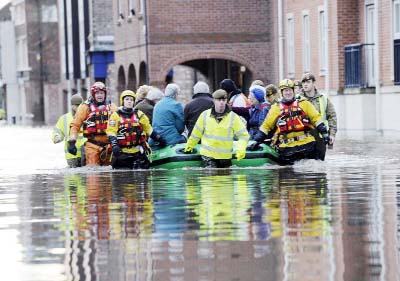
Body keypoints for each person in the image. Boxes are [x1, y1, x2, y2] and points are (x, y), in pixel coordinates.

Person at [250, 79, 329, 165]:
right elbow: (266, 126)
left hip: (307, 144)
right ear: (281, 92)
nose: (288, 93)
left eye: (290, 90)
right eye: (286, 91)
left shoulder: (304, 103)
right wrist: (257, 141)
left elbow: (316, 118)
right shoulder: (276, 108)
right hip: (287, 148)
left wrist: (324, 132)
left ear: (293, 91)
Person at [184, 89, 250, 168]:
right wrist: (190, 145)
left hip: (225, 157)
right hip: (208, 156)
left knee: (226, 179)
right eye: (219, 100)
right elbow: (196, 134)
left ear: (226, 101)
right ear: (214, 100)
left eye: (223, 100)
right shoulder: (205, 115)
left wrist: (241, 148)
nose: (221, 102)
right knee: (211, 176)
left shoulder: (233, 117)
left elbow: (243, 135)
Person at [106, 90, 166, 169]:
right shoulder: (115, 115)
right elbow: (111, 132)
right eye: (127, 99)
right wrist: (114, 145)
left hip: (138, 153)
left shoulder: (139, 114)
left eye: (131, 100)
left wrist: (159, 138)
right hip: (122, 153)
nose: (129, 102)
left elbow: (148, 129)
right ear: (122, 101)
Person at [68, 81, 117, 166]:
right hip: (92, 145)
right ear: (93, 94)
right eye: (97, 93)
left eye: (102, 93)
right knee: (93, 173)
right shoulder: (85, 108)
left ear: (105, 94)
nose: (100, 95)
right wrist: (72, 142)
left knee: (109, 174)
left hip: (109, 146)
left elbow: (120, 123)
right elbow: (75, 125)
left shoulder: (112, 107)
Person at [301, 72, 337, 160]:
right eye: (303, 82)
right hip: (303, 138)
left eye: (308, 82)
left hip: (320, 137)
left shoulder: (323, 98)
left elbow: (332, 117)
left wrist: (332, 134)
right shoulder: (298, 99)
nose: (305, 84)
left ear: (314, 83)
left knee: (319, 164)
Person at [52, 94, 86, 168]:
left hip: (85, 153)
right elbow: (58, 130)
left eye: (80, 105)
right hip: (71, 154)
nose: (78, 107)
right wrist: (57, 137)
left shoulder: (87, 116)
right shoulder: (64, 118)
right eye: (76, 105)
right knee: (74, 178)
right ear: (72, 106)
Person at [150, 83, 186, 148]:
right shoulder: (176, 105)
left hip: (155, 139)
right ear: (175, 94)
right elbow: (180, 127)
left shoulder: (157, 105)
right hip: (171, 140)